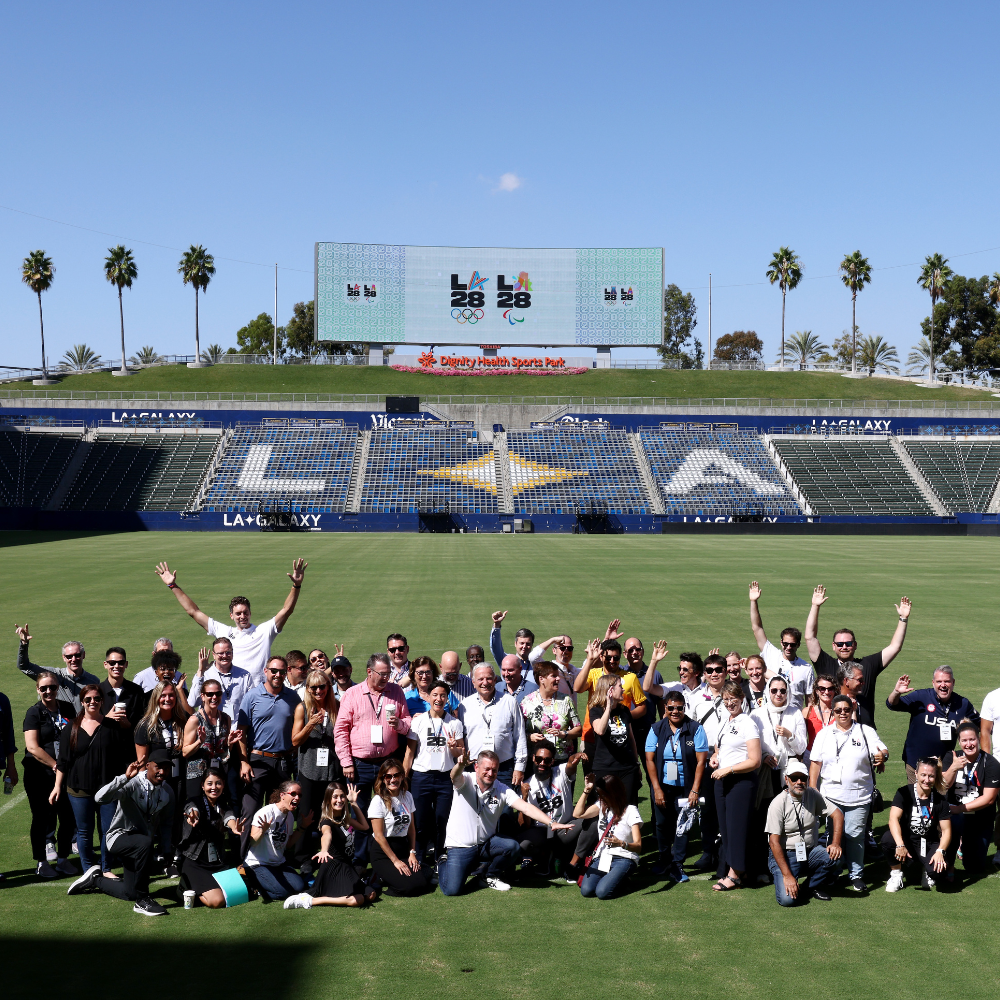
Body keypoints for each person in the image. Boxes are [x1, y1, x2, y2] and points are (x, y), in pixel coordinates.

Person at [438, 749, 573, 895]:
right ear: (476, 767)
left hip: (486, 844)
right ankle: (443, 861)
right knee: (452, 890)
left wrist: (551, 823)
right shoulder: (465, 779)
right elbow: (454, 775)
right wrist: (460, 765)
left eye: (494, 770)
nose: (490, 774)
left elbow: (526, 808)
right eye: (487, 769)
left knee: (512, 846)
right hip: (461, 846)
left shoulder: (501, 789)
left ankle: (489, 875)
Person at [154, 558, 307, 685]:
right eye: (238, 613)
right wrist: (172, 585)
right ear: (231, 616)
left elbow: (287, 610)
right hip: (231, 691)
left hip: (259, 692)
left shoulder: (264, 631)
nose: (242, 616)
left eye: (245, 612)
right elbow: (193, 612)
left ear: (250, 613)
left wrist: (296, 585)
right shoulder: (224, 632)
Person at [67, 750, 176, 917]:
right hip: (118, 838)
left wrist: (167, 849)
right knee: (145, 843)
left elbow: (167, 823)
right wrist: (124, 778)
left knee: (129, 893)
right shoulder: (132, 784)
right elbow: (99, 798)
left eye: (167, 768)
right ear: (148, 766)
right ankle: (143, 900)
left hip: (139, 846)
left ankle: (95, 879)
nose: (163, 772)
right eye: (158, 767)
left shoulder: (167, 792)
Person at [334, 652, 411, 865]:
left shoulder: (396, 691)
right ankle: (359, 860)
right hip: (359, 765)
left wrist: (400, 725)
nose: (387, 678)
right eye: (382, 674)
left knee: (388, 812)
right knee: (359, 814)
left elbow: (407, 721)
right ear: (369, 672)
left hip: (387, 764)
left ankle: (383, 859)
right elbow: (341, 730)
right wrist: (346, 761)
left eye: (388, 674)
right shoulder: (352, 694)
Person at [809, 694, 888, 892]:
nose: (843, 713)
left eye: (847, 709)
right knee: (832, 835)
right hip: (831, 795)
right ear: (833, 712)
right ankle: (833, 872)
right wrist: (813, 789)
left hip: (859, 795)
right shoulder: (824, 734)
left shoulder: (865, 731)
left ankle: (856, 874)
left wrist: (882, 756)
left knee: (855, 835)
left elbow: (883, 750)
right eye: (838, 710)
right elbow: (815, 763)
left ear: (852, 710)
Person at [805, 585, 912, 727]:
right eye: (840, 643)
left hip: (866, 735)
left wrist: (903, 619)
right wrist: (815, 606)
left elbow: (895, 647)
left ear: (855, 645)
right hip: (835, 733)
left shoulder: (867, 665)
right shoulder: (825, 664)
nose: (844, 646)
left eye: (848, 643)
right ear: (833, 646)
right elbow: (810, 638)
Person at [52, 683, 122, 874]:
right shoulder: (71, 728)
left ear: (102, 701)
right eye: (88, 699)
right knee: (84, 832)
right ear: (82, 702)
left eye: (97, 699)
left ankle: (106, 868)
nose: (93, 702)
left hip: (107, 789)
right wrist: (57, 786)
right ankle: (89, 871)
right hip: (78, 789)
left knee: (107, 832)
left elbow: (120, 758)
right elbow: (63, 761)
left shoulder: (112, 727)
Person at [236, 656, 300, 854]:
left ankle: (272, 855)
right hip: (257, 761)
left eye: (282, 671)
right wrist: (244, 762)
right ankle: (243, 859)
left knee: (278, 811)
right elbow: (241, 733)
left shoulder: (293, 698)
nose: (277, 675)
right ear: (266, 671)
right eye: (274, 671)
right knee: (250, 810)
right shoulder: (252, 696)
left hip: (281, 763)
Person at [644, 689, 709, 881]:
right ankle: (664, 859)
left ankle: (678, 864)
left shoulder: (695, 728)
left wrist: (694, 790)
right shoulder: (656, 728)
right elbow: (649, 760)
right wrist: (656, 788)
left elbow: (700, 762)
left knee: (683, 826)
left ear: (684, 708)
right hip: (663, 785)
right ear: (665, 708)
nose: (675, 712)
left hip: (686, 786)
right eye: (671, 708)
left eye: (679, 708)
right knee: (662, 824)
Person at [283, 780, 378, 909]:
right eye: (335, 797)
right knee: (358, 900)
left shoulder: (346, 819)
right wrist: (324, 850)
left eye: (342, 796)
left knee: (371, 894)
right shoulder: (327, 822)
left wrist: (353, 802)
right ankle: (310, 900)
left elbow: (365, 826)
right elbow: (326, 835)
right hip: (334, 868)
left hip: (347, 866)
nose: (339, 800)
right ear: (328, 800)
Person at [403, 680, 465, 865]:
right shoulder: (418, 721)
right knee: (420, 821)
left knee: (441, 820)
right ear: (428, 697)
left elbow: (460, 754)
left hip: (445, 778)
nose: (439, 699)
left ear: (448, 698)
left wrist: (454, 748)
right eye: (435, 695)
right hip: (421, 777)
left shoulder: (455, 723)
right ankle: (419, 857)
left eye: (443, 695)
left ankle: (440, 856)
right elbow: (409, 753)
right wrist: (405, 778)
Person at [764, 760, 843, 905]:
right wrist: (787, 876)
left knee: (835, 857)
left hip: (810, 851)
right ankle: (793, 880)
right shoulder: (777, 803)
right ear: (786, 779)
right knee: (787, 900)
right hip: (786, 855)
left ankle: (807, 887)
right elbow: (773, 842)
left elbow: (837, 814)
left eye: (803, 778)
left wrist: (836, 843)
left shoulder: (812, 794)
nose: (799, 782)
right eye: (794, 778)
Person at [22, 672, 76, 878]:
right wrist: (56, 765)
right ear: (38, 689)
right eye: (44, 688)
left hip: (65, 774)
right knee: (41, 818)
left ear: (58, 688)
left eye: (52, 687)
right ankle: (42, 862)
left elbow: (75, 735)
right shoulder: (34, 713)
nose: (48, 691)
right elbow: (33, 747)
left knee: (68, 817)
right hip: (39, 775)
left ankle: (62, 859)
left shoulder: (68, 708)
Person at [710, 679, 761, 891]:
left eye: (733, 699)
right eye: (726, 700)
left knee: (736, 829)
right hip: (723, 781)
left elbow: (755, 760)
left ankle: (735, 874)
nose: (730, 703)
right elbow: (721, 746)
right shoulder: (726, 720)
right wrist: (716, 756)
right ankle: (739, 869)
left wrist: (728, 769)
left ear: (742, 699)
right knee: (726, 829)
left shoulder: (747, 723)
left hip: (740, 782)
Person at [887, 668, 979, 783]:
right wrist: (896, 692)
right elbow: (892, 704)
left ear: (953, 682)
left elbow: (982, 725)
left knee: (942, 798)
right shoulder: (921, 697)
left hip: (945, 765)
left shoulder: (962, 704)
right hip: (916, 764)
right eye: (939, 681)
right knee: (919, 798)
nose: (943, 685)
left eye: (947, 681)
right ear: (933, 682)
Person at [290, 669, 341, 865]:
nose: (318, 691)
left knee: (331, 814)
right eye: (314, 687)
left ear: (329, 687)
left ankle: (332, 854)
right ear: (308, 689)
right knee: (307, 815)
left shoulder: (337, 707)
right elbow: (295, 741)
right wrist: (311, 724)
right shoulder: (303, 708)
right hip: (309, 771)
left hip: (332, 771)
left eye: (322, 686)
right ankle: (303, 858)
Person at [883, 758, 952, 892]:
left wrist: (940, 851)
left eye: (931, 776)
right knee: (887, 839)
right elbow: (893, 819)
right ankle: (896, 874)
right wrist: (900, 844)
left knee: (937, 872)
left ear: (936, 776)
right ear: (916, 774)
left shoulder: (940, 800)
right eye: (923, 775)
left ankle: (926, 870)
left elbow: (947, 830)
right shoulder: (903, 792)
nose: (927, 780)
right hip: (907, 840)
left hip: (928, 841)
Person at [177, 768, 243, 908]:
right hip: (195, 862)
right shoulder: (194, 801)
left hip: (217, 861)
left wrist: (233, 827)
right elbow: (191, 810)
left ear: (223, 785)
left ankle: (202, 887)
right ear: (202, 785)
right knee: (217, 901)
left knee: (239, 893)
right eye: (209, 783)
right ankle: (184, 887)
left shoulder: (224, 805)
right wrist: (193, 816)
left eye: (218, 783)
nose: (214, 787)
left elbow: (229, 818)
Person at [518, 741, 585, 877]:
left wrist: (575, 757)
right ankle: (543, 856)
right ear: (533, 759)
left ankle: (573, 860)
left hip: (564, 829)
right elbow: (524, 825)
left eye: (547, 760)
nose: (542, 763)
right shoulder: (527, 784)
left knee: (589, 822)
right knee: (522, 844)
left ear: (552, 761)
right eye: (539, 759)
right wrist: (524, 798)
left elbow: (570, 765)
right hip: (542, 832)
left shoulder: (560, 772)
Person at [941, 722, 999, 878]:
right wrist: (953, 768)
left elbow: (989, 799)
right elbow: (942, 787)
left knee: (974, 867)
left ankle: (964, 844)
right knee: (954, 821)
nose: (969, 744)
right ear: (959, 742)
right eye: (964, 740)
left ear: (979, 739)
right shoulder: (950, 757)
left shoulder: (991, 764)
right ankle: (950, 861)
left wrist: (960, 809)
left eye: (972, 739)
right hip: (954, 815)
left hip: (979, 817)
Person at [688, 651, 729, 872]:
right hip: (704, 760)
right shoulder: (695, 699)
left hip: (730, 759)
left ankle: (724, 852)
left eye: (719, 670)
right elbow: (691, 730)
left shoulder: (735, 694)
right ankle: (707, 852)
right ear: (704, 674)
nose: (714, 674)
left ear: (726, 672)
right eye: (710, 670)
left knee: (726, 808)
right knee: (708, 809)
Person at [573, 772, 643, 899]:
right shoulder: (601, 806)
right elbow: (577, 814)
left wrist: (621, 843)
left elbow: (638, 846)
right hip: (603, 857)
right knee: (587, 891)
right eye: (599, 795)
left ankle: (623, 879)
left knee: (602, 893)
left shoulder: (631, 811)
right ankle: (616, 878)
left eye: (603, 795)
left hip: (624, 858)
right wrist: (587, 790)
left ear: (614, 793)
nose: (600, 798)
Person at [574, 636, 647, 756]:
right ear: (601, 657)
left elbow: (642, 707)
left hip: (619, 735)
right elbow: (577, 688)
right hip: (591, 734)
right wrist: (589, 660)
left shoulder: (630, 677)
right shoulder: (593, 674)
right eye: (608, 657)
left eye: (616, 658)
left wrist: (623, 717)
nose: (612, 661)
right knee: (591, 774)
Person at [367, 760, 431, 895]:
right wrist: (395, 861)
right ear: (383, 779)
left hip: (402, 848)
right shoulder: (378, 801)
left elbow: (412, 829)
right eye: (388, 776)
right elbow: (378, 836)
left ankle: (389, 876)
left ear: (402, 776)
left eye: (396, 775)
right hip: (383, 852)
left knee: (423, 883)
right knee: (409, 887)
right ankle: (377, 876)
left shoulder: (407, 796)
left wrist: (412, 853)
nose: (393, 779)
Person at [748, 581, 815, 710]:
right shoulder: (771, 653)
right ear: (781, 643)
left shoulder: (806, 668)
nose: (788, 647)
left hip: (792, 718)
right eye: (785, 644)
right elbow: (757, 628)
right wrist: (753, 602)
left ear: (798, 645)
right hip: (769, 714)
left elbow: (810, 702)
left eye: (792, 644)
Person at [460, 663, 527, 787]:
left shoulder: (510, 702)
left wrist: (519, 767)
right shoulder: (465, 705)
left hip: (503, 769)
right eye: (480, 679)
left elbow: (520, 736)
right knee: (474, 806)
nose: (485, 683)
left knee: (504, 806)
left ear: (495, 680)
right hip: (473, 769)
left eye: (489, 678)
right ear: (473, 682)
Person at [244, 780, 311, 901]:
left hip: (278, 863)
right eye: (293, 794)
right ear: (282, 795)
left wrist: (302, 828)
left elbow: (288, 844)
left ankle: (266, 883)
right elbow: (253, 842)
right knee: (283, 893)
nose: (297, 797)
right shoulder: (266, 812)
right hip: (258, 864)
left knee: (299, 887)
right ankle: (253, 887)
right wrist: (262, 830)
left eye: (300, 795)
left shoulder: (290, 816)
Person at [15, 625, 100, 711]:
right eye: (69, 656)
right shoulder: (53, 675)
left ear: (83, 655)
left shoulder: (93, 681)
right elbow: (24, 666)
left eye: (77, 655)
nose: (73, 659)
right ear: (64, 657)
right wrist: (24, 644)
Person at [182, 676, 240, 801]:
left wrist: (229, 743)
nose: (214, 697)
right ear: (202, 696)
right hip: (197, 774)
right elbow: (185, 752)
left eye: (218, 694)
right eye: (210, 694)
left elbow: (223, 750)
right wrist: (199, 742)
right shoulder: (195, 720)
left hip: (218, 773)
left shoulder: (226, 718)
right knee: (196, 809)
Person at [588, 674, 641, 804]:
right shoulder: (596, 711)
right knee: (607, 807)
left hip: (627, 768)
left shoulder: (625, 711)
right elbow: (600, 730)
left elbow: (631, 739)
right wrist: (608, 707)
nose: (623, 689)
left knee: (629, 807)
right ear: (609, 690)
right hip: (605, 768)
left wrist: (636, 764)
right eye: (620, 686)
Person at [752, 676, 808, 794]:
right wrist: (763, 757)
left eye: (783, 691)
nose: (778, 694)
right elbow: (750, 745)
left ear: (787, 692)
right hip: (765, 768)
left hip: (788, 769)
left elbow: (801, 748)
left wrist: (790, 735)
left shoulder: (795, 713)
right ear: (768, 691)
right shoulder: (757, 714)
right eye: (774, 690)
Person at [520, 661, 582, 765]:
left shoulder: (566, 700)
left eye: (558, 676)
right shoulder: (527, 702)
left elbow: (578, 729)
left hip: (562, 760)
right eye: (553, 676)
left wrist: (563, 734)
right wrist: (529, 737)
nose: (558, 679)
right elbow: (518, 731)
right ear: (541, 679)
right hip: (538, 761)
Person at [98, 648, 145, 769]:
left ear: (126, 664)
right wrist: (106, 719)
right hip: (104, 754)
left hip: (129, 754)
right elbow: (87, 721)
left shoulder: (136, 691)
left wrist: (129, 725)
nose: (116, 666)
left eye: (121, 663)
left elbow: (143, 722)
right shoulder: (97, 692)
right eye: (112, 663)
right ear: (105, 664)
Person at [189, 638, 254, 723]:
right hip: (212, 730)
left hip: (237, 730)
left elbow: (252, 704)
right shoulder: (204, 675)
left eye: (228, 652)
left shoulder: (245, 676)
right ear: (214, 655)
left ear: (232, 653)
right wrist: (200, 671)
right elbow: (193, 703)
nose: (225, 656)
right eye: (220, 653)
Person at [489, 610, 534, 676]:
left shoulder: (536, 665)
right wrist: (497, 625)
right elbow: (495, 647)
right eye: (521, 643)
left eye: (528, 644)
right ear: (515, 643)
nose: (524, 646)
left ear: (532, 645)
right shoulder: (506, 660)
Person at [803, 675, 837, 751]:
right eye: (822, 689)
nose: (826, 692)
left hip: (832, 756)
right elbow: (801, 738)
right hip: (811, 755)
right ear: (816, 691)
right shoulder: (807, 711)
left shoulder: (839, 712)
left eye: (830, 689)